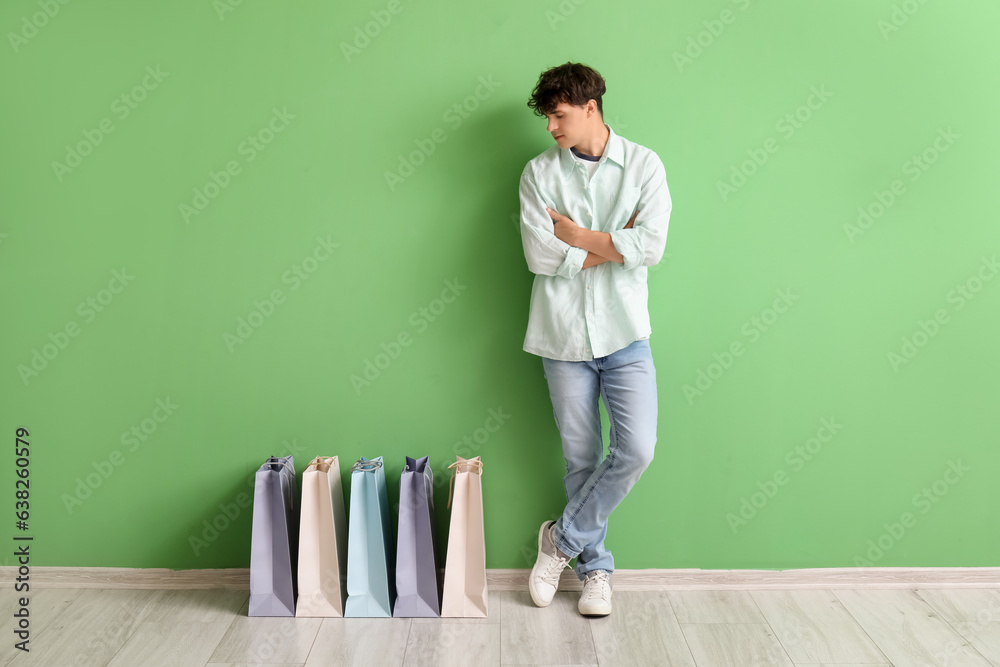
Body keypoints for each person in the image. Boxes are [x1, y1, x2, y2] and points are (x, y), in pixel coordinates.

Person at [517, 62, 672, 617]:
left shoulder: (644, 166)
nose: (551, 128)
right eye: (548, 118)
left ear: (589, 108)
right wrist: (613, 244)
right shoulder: (538, 174)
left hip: (626, 333)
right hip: (561, 337)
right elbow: (540, 256)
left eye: (558, 116)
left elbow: (651, 245)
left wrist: (578, 238)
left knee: (636, 450)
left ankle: (559, 541)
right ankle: (596, 571)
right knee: (580, 458)